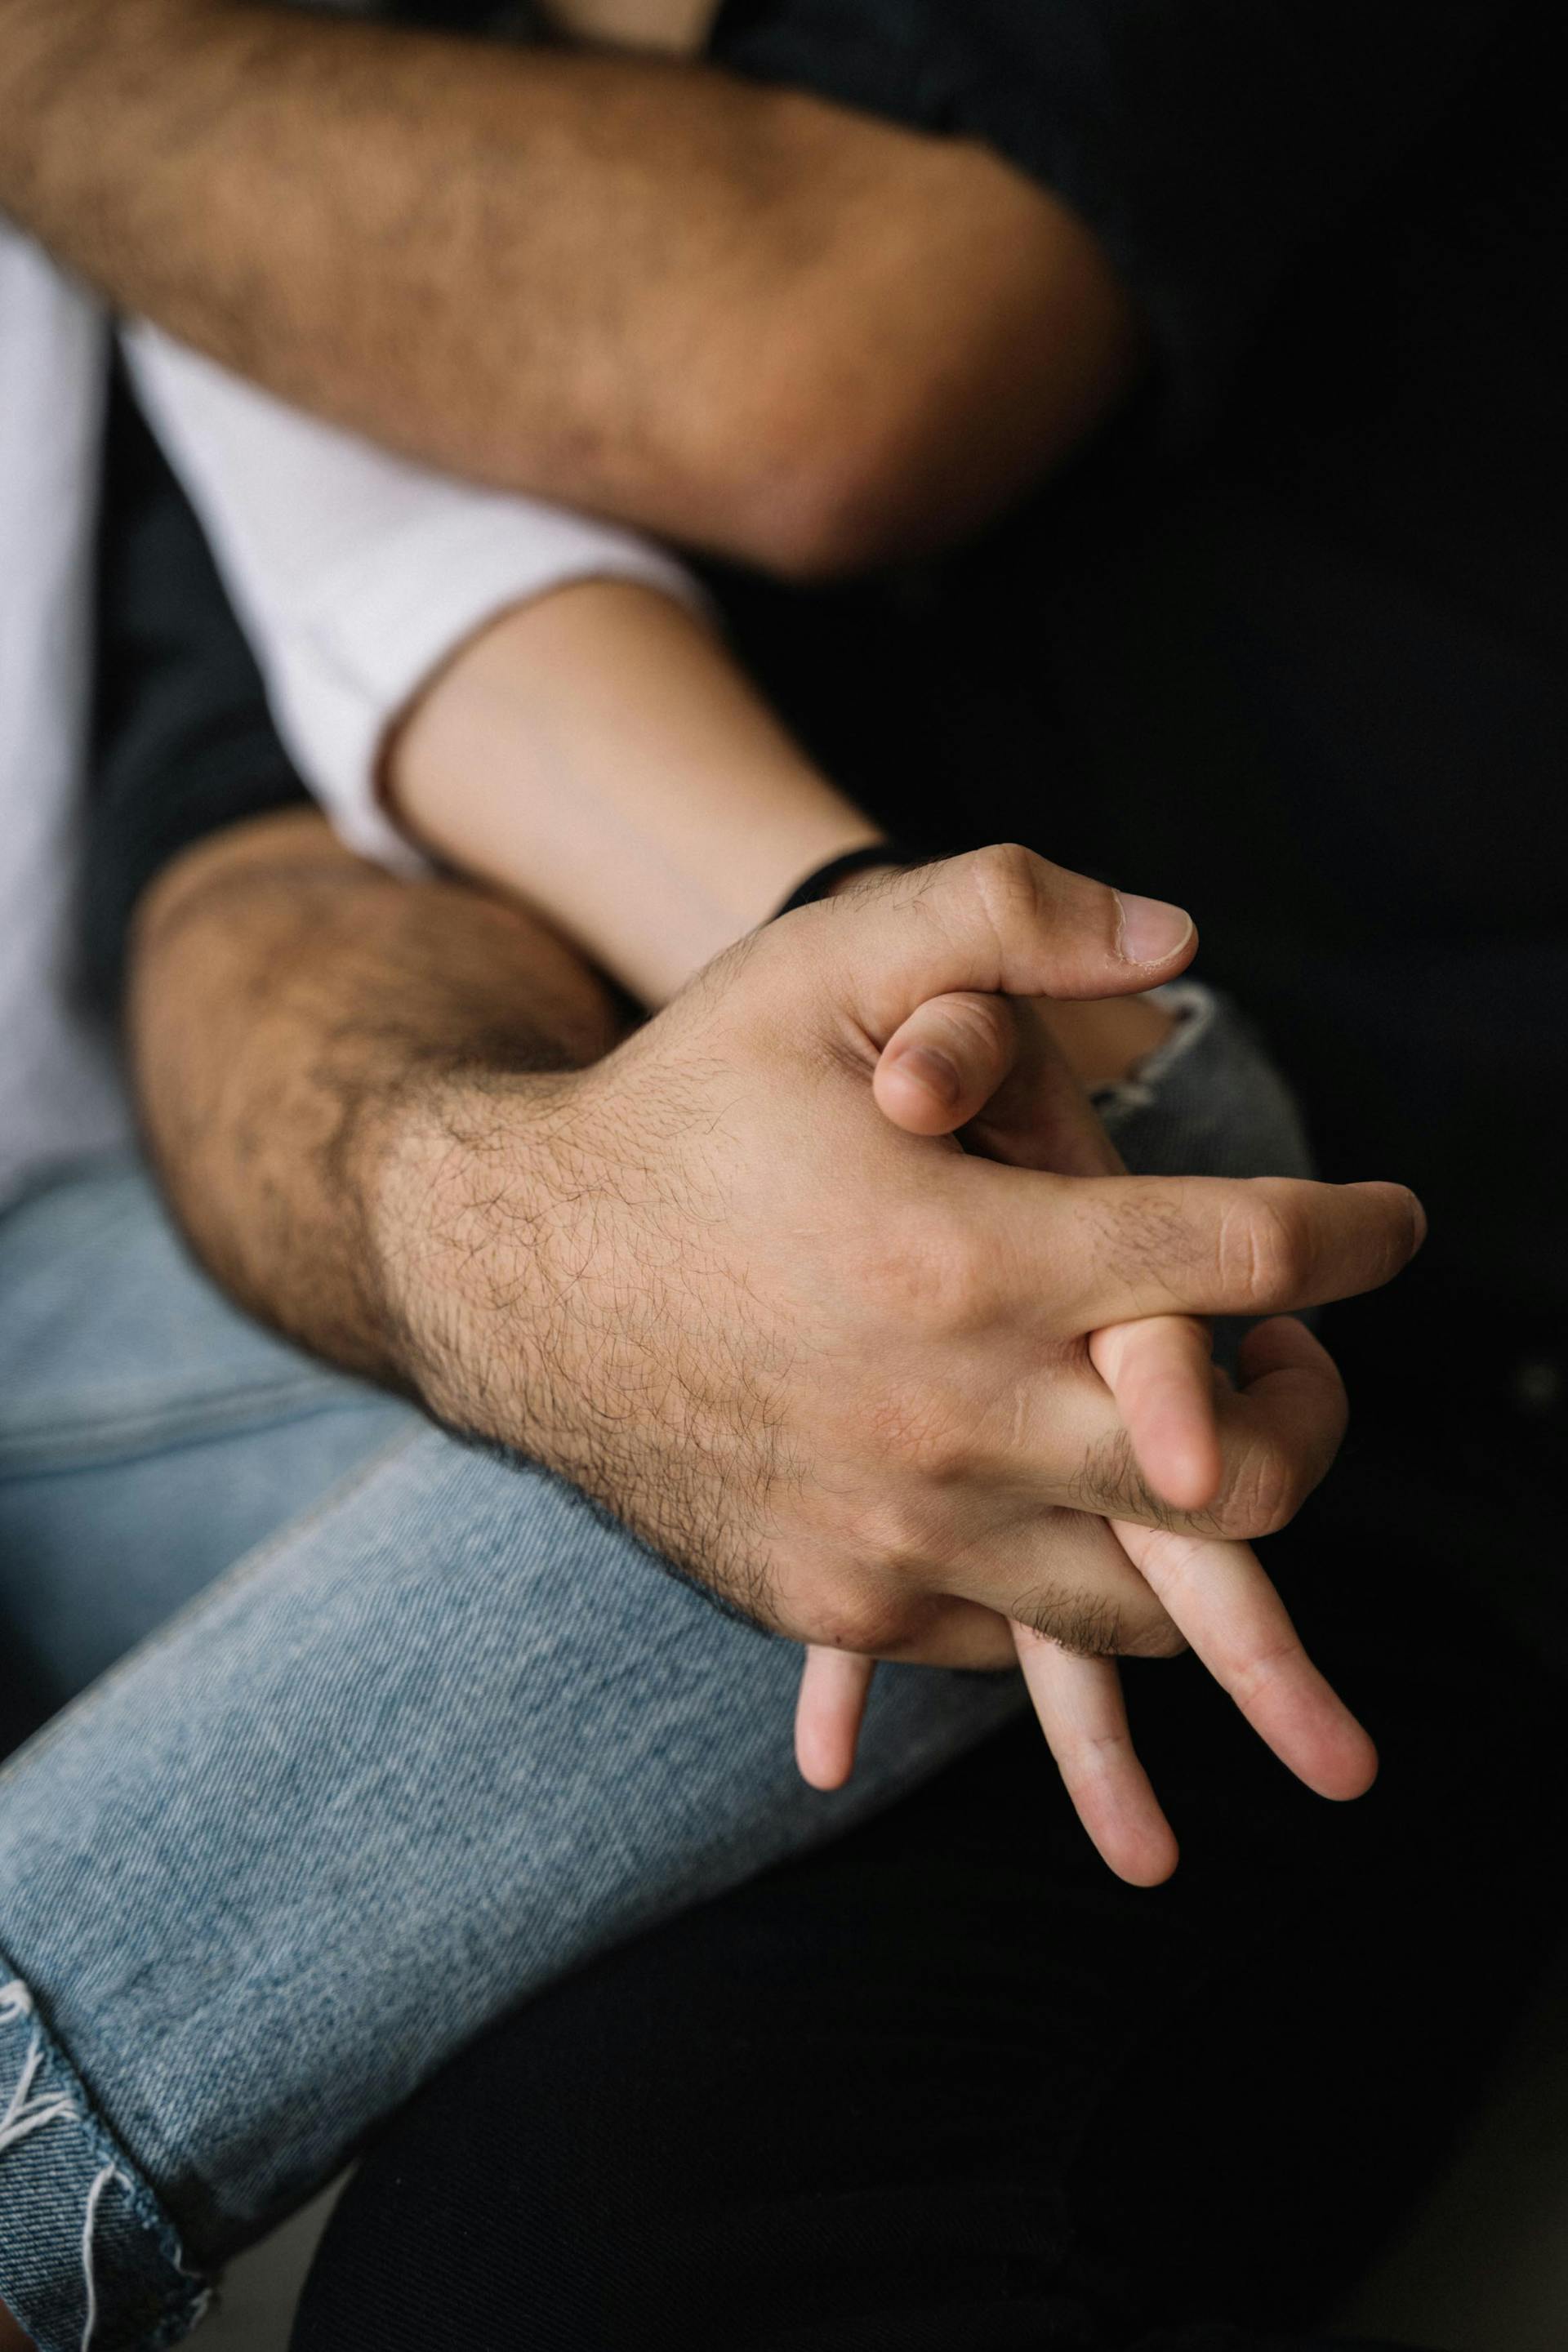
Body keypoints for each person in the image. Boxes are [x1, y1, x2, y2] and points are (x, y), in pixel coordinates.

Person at [0, 0, 1559, 2345]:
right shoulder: (274, 121)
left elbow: (821, 367)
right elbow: (295, 832)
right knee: (1014, 1259)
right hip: (738, 1261)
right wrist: (605, 1245)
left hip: (1411, 1404)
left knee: (577, 2277)